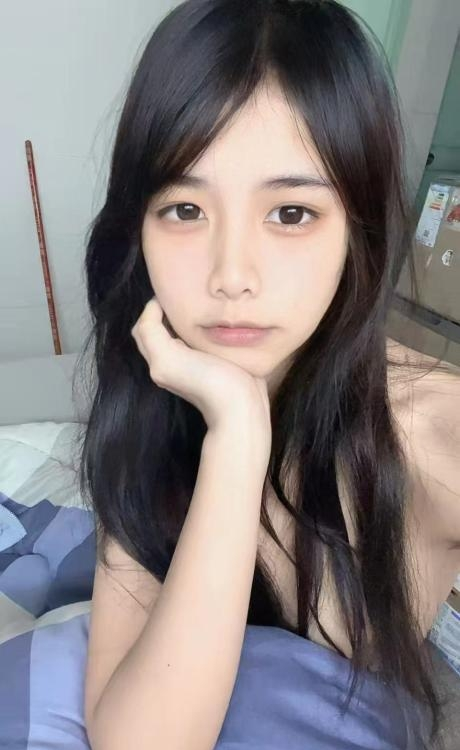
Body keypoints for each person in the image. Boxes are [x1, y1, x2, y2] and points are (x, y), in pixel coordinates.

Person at [77, 1, 460, 748]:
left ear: (359, 232)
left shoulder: (435, 431)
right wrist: (237, 437)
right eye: (184, 209)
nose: (231, 276)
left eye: (290, 214)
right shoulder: (147, 407)